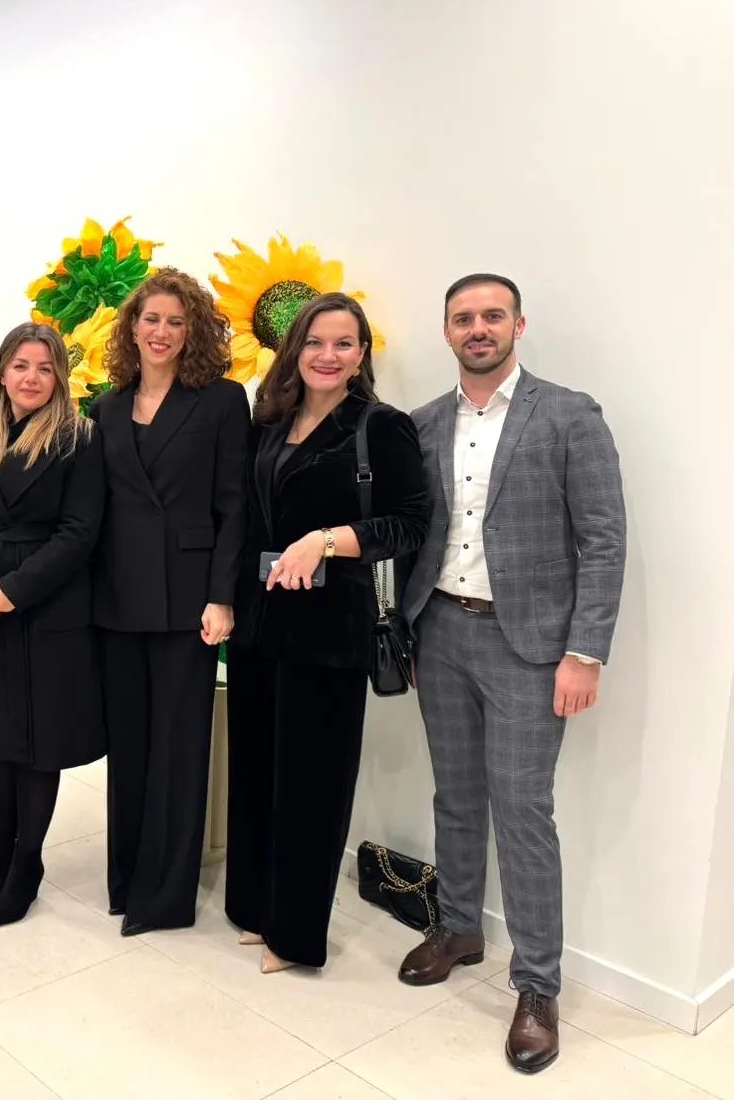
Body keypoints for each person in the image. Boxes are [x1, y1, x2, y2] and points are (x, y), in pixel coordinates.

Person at [396, 273, 625, 1074]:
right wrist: (408, 629)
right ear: (447, 331)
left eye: (493, 315)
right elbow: (417, 533)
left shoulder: (569, 415)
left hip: (529, 646)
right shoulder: (424, 423)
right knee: (455, 794)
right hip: (440, 632)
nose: (478, 328)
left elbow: (603, 539)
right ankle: (459, 926)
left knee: (523, 810)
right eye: (464, 317)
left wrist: (584, 651)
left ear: (518, 325)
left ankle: (536, 984)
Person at [226, 293, 428, 973]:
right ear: (295, 348)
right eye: (315, 341)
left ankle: (294, 934)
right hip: (258, 625)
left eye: (344, 343)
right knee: (256, 772)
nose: (327, 355)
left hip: (327, 631)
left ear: (362, 354)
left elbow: (410, 523)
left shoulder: (380, 426)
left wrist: (329, 539)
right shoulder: (269, 420)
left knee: (311, 786)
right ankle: (255, 909)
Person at [89, 267, 249, 937]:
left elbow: (234, 506)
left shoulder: (222, 400)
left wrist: (222, 596)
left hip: (189, 600)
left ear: (194, 331)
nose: (161, 332)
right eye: (151, 319)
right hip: (117, 598)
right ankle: (127, 879)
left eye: (176, 322)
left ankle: (166, 896)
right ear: (131, 327)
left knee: (179, 749)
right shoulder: (106, 405)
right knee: (129, 746)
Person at [0, 323, 105, 927]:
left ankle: (28, 860)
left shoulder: (80, 437)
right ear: (2, 372)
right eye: (21, 365)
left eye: (45, 367)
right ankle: (4, 852)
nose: (32, 378)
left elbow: (80, 532)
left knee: (39, 743)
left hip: (46, 604)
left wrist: (14, 591)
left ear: (59, 376)